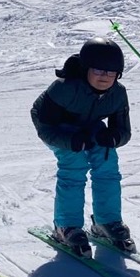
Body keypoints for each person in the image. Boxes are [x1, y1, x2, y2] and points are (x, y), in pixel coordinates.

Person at [30, 37, 132, 256]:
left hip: (89, 124)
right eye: (98, 70)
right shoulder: (64, 88)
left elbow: (124, 131)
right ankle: (66, 226)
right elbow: (45, 127)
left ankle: (107, 221)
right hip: (58, 128)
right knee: (74, 164)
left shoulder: (117, 93)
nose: (104, 77)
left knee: (107, 160)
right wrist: (70, 141)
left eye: (111, 72)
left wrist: (113, 137)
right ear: (86, 69)